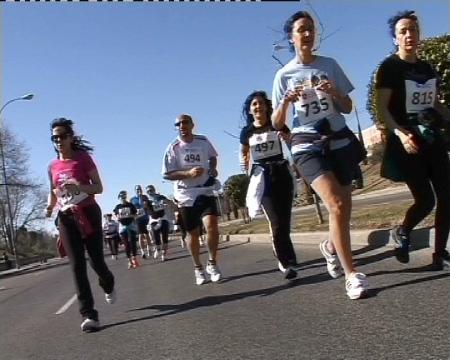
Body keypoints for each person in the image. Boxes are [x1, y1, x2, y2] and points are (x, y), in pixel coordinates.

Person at [271, 11, 368, 299]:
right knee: (336, 204)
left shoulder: (330, 65)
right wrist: (286, 102)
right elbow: (277, 123)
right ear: (292, 37)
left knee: (343, 212)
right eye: (301, 29)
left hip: (338, 139)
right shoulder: (283, 75)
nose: (307, 34)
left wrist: (335, 91)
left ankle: (329, 246)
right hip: (306, 145)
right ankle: (352, 275)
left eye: (311, 29)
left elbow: (348, 107)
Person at [376, 10, 450, 270]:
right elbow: (382, 108)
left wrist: (445, 115)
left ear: (419, 35)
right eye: (403, 31)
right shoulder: (389, 67)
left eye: (413, 30)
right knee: (426, 200)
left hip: (433, 138)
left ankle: (439, 254)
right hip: (408, 141)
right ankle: (404, 231)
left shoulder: (426, 67)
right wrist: (398, 132)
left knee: (447, 197)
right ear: (395, 38)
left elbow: (435, 103)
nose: (409, 35)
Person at [45, 117, 116, 332]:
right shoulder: (52, 165)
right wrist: (49, 207)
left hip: (88, 212)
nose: (59, 140)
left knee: (96, 261)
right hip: (66, 216)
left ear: (70, 137)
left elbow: (99, 188)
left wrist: (80, 186)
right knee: (77, 265)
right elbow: (53, 192)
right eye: (55, 137)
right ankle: (89, 315)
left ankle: (108, 282)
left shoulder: (83, 158)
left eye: (63, 136)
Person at [240, 90, 298, 280]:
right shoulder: (247, 132)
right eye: (254, 104)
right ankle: (286, 261)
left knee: (285, 220)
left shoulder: (276, 123)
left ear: (266, 106)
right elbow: (244, 151)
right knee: (275, 221)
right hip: (262, 178)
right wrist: (245, 164)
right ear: (250, 110)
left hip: (281, 173)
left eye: (261, 103)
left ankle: (285, 255)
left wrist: (286, 139)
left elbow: (292, 143)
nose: (258, 107)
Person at [162, 114, 222, 285]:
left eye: (185, 122)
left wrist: (212, 169)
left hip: (205, 190)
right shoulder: (172, 148)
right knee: (193, 233)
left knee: (211, 226)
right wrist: (187, 174)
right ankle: (198, 267)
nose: (182, 125)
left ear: (192, 124)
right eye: (178, 124)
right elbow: (167, 174)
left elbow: (213, 157)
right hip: (186, 195)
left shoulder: (203, 141)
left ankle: (212, 263)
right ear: (175, 128)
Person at [114, 190, 140, 270]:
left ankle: (134, 259)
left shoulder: (130, 205)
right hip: (122, 227)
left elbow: (136, 215)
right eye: (121, 196)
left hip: (131, 225)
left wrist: (130, 215)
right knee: (126, 244)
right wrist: (118, 216)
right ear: (119, 198)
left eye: (124, 196)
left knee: (132, 243)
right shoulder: (117, 207)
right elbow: (116, 215)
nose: (123, 198)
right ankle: (129, 260)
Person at [146, 185, 170, 261]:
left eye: (151, 190)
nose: (150, 192)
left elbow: (168, 202)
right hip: (154, 220)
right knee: (156, 237)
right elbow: (149, 211)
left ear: (154, 190)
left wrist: (166, 202)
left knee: (165, 237)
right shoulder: (147, 201)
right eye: (148, 191)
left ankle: (164, 254)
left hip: (163, 218)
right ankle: (157, 249)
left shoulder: (160, 197)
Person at [130, 185, 152, 259]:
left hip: (145, 217)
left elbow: (146, 206)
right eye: (137, 189)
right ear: (135, 191)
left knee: (147, 234)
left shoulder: (144, 197)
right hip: (138, 218)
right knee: (140, 235)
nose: (138, 190)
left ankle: (149, 249)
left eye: (139, 189)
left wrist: (141, 198)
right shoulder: (132, 199)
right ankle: (142, 251)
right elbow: (131, 209)